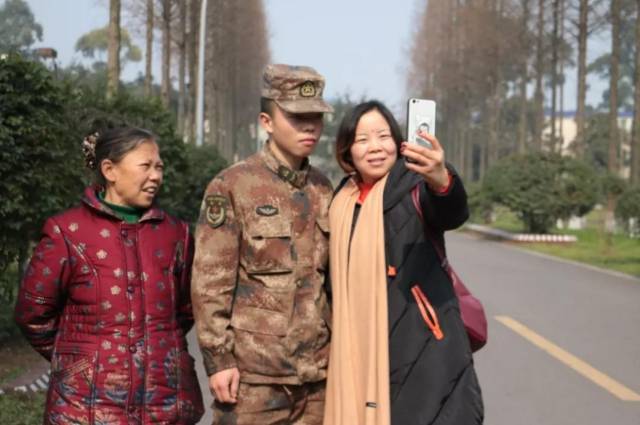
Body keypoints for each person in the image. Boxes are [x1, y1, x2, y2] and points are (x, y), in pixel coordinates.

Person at [14, 127, 204, 424]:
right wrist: (78, 360)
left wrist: (159, 353)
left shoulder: (175, 234)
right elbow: (33, 313)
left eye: (159, 167)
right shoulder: (67, 231)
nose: (156, 176)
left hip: (164, 406)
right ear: (109, 170)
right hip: (84, 407)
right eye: (146, 166)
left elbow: (185, 310)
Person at [323, 100, 483, 425]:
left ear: (398, 142)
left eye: (383, 136)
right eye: (363, 139)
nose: (375, 147)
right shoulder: (341, 200)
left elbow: (450, 211)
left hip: (422, 346)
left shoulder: (415, 187)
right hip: (359, 349)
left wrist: (441, 179)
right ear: (347, 150)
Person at [191, 64, 334, 424]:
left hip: (316, 376)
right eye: (297, 117)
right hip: (254, 379)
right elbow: (210, 283)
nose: (309, 127)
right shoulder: (232, 186)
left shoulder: (324, 189)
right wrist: (218, 361)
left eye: (316, 117)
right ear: (266, 122)